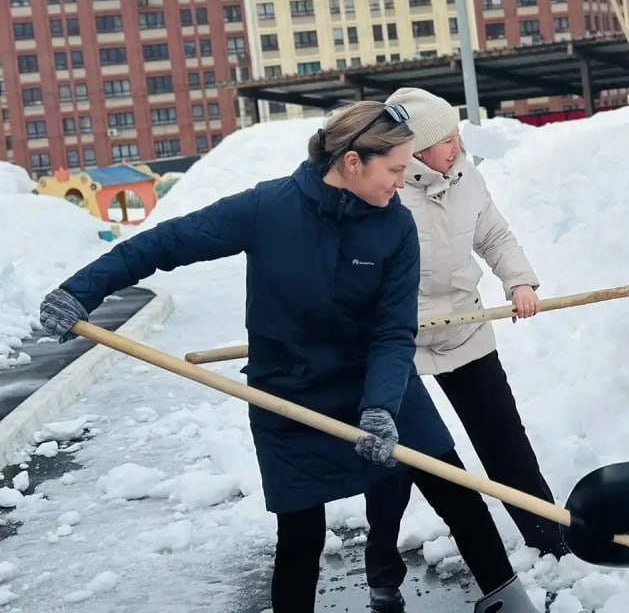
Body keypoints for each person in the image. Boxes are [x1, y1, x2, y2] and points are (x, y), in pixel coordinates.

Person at [36, 101, 538, 613]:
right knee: (300, 534)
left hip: (376, 379)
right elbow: (165, 243)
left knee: (451, 484)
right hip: (290, 393)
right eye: (394, 170)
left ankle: (505, 599)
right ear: (352, 162)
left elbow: (393, 330)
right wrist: (81, 291)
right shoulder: (269, 208)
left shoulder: (395, 227)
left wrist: (382, 405)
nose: (401, 181)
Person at [363, 86, 564, 612]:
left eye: (456, 136)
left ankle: (551, 545)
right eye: (446, 139)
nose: (457, 146)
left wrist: (519, 281)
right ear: (416, 150)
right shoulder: (384, 191)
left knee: (506, 444)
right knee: (400, 461)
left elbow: (493, 234)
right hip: (399, 344)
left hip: (465, 327)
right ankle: (381, 566)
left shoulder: (464, 175)